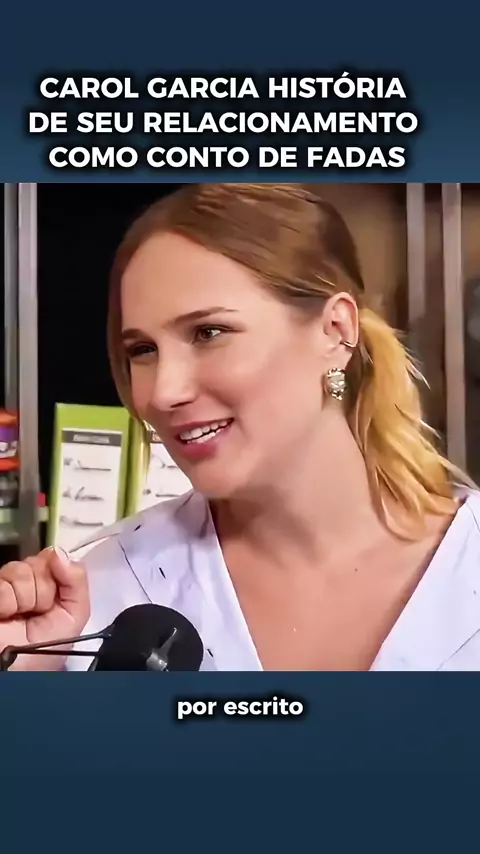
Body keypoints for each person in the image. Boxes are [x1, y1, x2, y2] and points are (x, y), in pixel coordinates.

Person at [1, 182, 479, 672]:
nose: (163, 392)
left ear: (336, 331)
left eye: (209, 333)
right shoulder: (94, 603)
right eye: (142, 350)